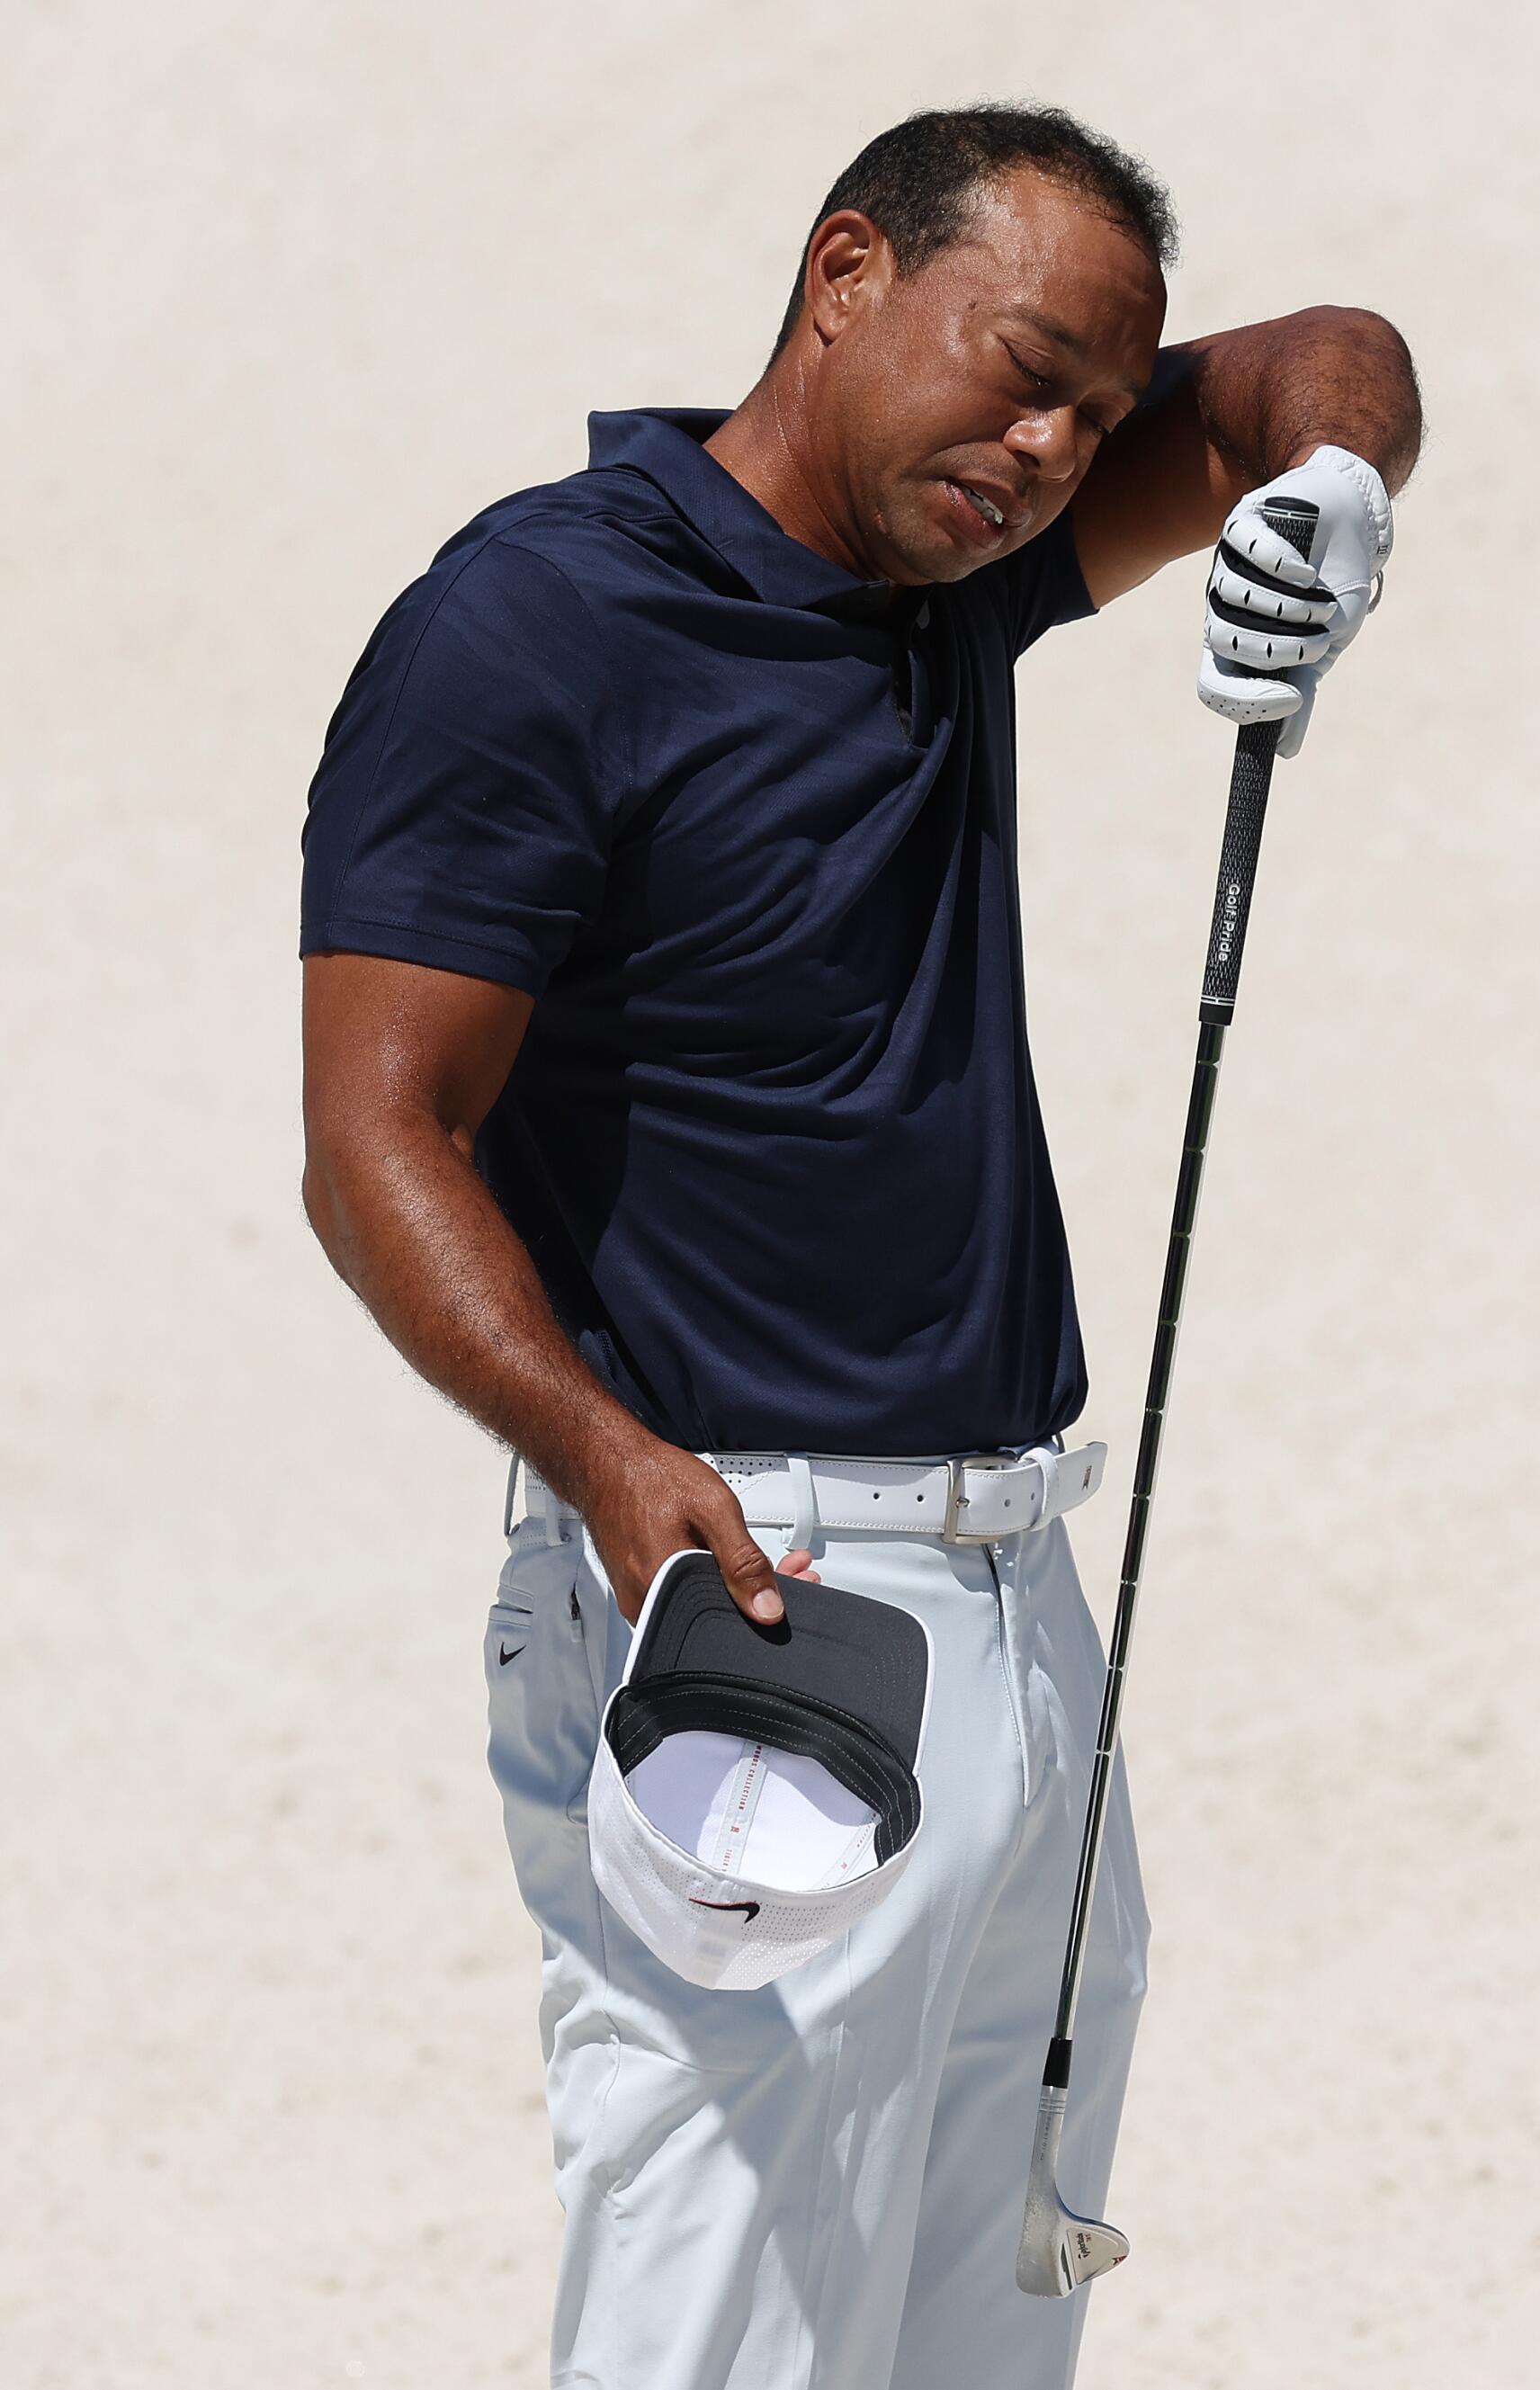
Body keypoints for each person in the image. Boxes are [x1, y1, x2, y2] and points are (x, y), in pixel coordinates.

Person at [299, 100, 1420, 2390]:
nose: (1049, 446)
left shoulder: (942, 579)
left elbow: (1322, 351)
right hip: (747, 1593)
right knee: (722, 2326)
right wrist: (600, 1457)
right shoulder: (532, 626)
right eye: (1019, 369)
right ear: (844, 276)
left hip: (1022, 1596)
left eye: (1095, 416)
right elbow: (373, 1135)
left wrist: (1333, 493)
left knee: (972, 2327)